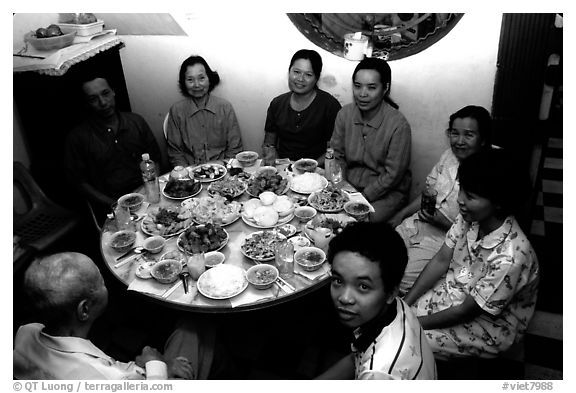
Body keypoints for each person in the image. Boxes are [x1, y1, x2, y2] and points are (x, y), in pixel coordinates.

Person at [404, 149, 539, 359]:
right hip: (455, 291)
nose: (460, 200)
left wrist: (411, 324)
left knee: (406, 340)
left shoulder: (511, 256)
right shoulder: (469, 217)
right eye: (462, 190)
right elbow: (440, 260)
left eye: (471, 196)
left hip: (488, 325)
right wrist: (405, 303)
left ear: (499, 202)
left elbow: (466, 311)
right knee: (397, 314)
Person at [13, 252, 216, 380]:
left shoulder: (24, 334)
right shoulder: (102, 377)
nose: (105, 284)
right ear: (84, 310)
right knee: (193, 325)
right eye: (100, 281)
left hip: (133, 371)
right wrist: (156, 364)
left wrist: (140, 366)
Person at [389, 105, 493, 294]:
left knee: (400, 280)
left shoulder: (491, 169)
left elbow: (481, 235)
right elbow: (427, 193)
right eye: (454, 133)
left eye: (469, 135)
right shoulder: (449, 156)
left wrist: (444, 222)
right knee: (378, 257)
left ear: (483, 139)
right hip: (419, 223)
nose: (459, 141)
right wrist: (401, 215)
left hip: (446, 240)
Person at [317, 222, 436, 380]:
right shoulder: (396, 308)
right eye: (338, 280)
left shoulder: (379, 372)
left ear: (391, 292)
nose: (345, 298)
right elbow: (357, 357)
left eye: (363, 286)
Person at [330, 58, 411, 223]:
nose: (362, 94)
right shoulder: (344, 115)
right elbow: (337, 155)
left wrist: (362, 197)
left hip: (386, 193)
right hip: (349, 186)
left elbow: (392, 175)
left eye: (371, 87)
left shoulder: (398, 125)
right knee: (327, 218)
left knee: (356, 225)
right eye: (357, 86)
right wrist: (342, 188)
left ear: (385, 88)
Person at [65, 76, 161, 214]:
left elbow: (155, 158)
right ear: (87, 103)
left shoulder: (136, 122)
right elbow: (80, 182)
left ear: (113, 92)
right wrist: (114, 204)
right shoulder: (78, 137)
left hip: (147, 196)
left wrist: (152, 190)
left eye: (105, 93)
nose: (103, 102)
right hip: (110, 206)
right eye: (93, 99)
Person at [262, 49, 341, 163]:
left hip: (317, 171)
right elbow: (269, 143)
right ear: (289, 72)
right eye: (296, 72)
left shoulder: (329, 106)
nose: (300, 79)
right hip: (284, 168)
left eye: (308, 74)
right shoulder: (277, 103)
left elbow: (333, 150)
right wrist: (272, 158)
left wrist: (309, 168)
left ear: (316, 78)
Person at [166, 55, 243, 167]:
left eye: (201, 78)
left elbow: (235, 148)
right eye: (190, 80)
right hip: (190, 173)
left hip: (222, 170)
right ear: (184, 82)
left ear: (209, 79)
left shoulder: (225, 107)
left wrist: (222, 167)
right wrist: (187, 174)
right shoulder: (176, 111)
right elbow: (175, 153)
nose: (197, 85)